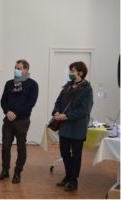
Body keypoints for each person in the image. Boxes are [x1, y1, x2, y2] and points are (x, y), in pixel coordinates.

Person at [52, 61, 93, 191]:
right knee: (64, 153)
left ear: (80, 73)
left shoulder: (87, 89)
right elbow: (57, 102)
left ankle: (74, 180)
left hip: (77, 127)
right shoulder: (67, 86)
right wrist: (56, 112)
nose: (70, 73)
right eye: (70, 70)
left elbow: (84, 110)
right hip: (64, 127)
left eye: (73, 71)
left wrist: (66, 116)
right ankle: (68, 176)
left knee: (76, 155)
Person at [0, 59, 38, 184]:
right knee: (5, 145)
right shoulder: (9, 83)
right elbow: (3, 100)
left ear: (26, 70)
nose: (16, 70)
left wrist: (16, 113)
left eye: (19, 68)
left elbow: (31, 103)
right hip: (8, 120)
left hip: (22, 121)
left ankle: (17, 172)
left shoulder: (32, 84)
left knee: (21, 147)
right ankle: (5, 170)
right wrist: (7, 111)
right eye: (15, 68)